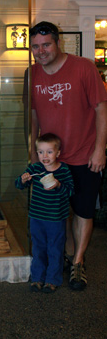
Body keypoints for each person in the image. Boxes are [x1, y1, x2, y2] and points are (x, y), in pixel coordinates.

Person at [30, 21, 107, 291]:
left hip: (84, 155)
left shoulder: (84, 67)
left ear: (57, 42)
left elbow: (101, 109)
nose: (41, 51)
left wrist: (100, 149)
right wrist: (33, 152)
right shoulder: (32, 74)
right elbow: (34, 115)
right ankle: (65, 254)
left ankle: (78, 262)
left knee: (83, 211)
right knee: (56, 212)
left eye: (46, 44)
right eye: (36, 47)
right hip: (51, 160)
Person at [15, 133, 74, 293]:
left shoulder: (63, 170)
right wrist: (23, 179)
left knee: (55, 249)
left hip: (56, 219)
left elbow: (70, 191)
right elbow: (18, 185)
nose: (44, 156)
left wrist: (58, 185)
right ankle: (37, 278)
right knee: (38, 247)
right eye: (40, 152)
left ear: (58, 153)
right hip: (36, 217)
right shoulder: (36, 168)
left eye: (49, 151)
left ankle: (52, 280)